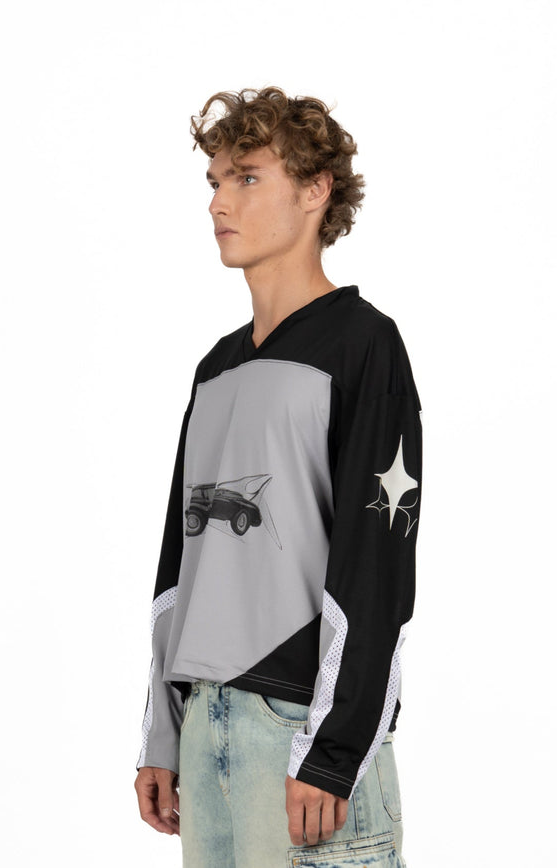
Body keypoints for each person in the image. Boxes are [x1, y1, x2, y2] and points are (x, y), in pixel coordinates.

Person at [134, 86, 423, 868]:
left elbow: (376, 563)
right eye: (215, 181)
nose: (218, 202)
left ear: (315, 189)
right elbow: (181, 563)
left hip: (301, 730)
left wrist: (333, 747)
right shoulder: (216, 369)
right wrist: (164, 729)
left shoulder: (363, 345)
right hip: (207, 730)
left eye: (247, 177)